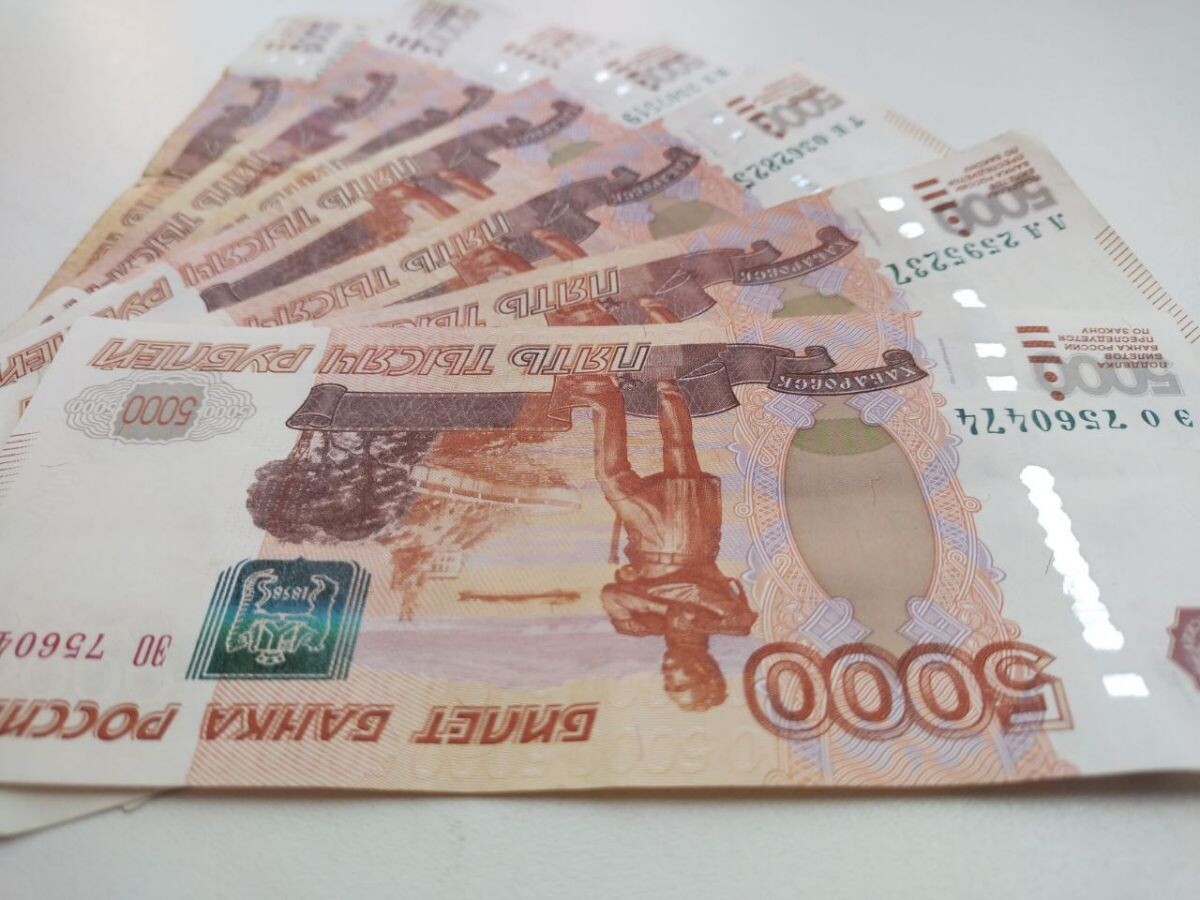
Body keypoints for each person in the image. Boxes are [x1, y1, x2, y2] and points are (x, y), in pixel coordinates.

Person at [577, 376, 755, 711]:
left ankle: (603, 394)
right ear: (704, 671)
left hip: (646, 541)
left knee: (611, 477)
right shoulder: (732, 622)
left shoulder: (640, 628)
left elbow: (612, 596)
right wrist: (654, 600)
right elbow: (693, 589)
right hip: (688, 538)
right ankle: (667, 383)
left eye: (667, 684)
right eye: (681, 682)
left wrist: (663, 610)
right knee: (678, 451)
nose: (668, 675)